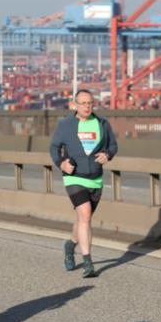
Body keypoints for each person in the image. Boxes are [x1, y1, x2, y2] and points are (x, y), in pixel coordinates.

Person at [49, 89, 118, 278]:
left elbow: (113, 145)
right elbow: (54, 147)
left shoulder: (102, 124)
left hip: (95, 177)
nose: (87, 106)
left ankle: (70, 244)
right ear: (75, 105)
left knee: (82, 220)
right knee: (85, 215)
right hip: (74, 176)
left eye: (90, 103)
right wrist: (61, 163)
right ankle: (88, 262)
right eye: (83, 103)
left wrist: (107, 154)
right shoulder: (66, 125)